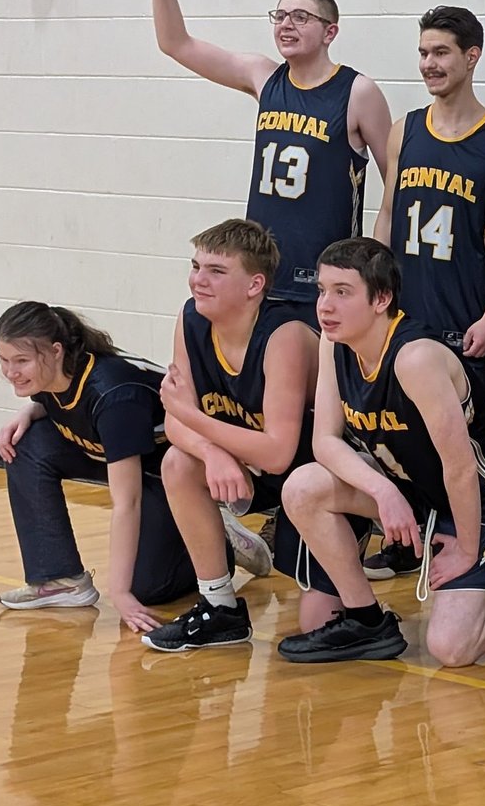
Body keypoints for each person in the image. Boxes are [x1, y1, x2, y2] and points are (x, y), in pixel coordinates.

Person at [275, 238, 485, 665]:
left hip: (476, 493)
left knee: (452, 648)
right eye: (323, 290)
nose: (325, 305)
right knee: (302, 487)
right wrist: (383, 492)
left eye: (342, 292)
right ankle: (366, 620)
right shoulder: (333, 342)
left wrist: (467, 550)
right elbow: (324, 440)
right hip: (408, 486)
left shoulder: (415, 359)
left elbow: (459, 467)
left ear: (381, 299)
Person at [366, 6, 485, 579]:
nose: (429, 64)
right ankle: (408, 538)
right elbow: (386, 213)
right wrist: (370, 293)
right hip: (403, 309)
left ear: (471, 56)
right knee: (399, 433)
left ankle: (472, 539)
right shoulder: (405, 129)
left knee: (460, 436)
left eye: (441, 53)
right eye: (424, 53)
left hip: (462, 310)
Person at [150, 0, 392, 316]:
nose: (285, 24)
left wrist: (376, 267)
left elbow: (398, 187)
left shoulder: (357, 91)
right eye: (279, 15)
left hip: (324, 278)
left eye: (300, 16)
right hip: (260, 272)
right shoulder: (263, 76)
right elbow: (176, 44)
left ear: (330, 32)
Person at [143, 219, 340, 651]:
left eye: (216, 271)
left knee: (314, 622)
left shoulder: (284, 335)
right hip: (250, 462)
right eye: (196, 266)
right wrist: (211, 452)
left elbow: (277, 453)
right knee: (177, 462)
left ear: (254, 285)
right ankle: (220, 608)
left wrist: (195, 424)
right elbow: (175, 421)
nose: (198, 279)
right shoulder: (190, 317)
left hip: (319, 476)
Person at [0, 304, 222, 629]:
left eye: (21, 361)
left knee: (148, 588)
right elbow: (58, 407)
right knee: (24, 445)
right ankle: (60, 579)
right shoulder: (54, 375)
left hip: (165, 474)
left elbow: (127, 502)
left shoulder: (113, 395)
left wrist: (121, 592)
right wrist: (27, 414)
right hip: (117, 456)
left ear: (56, 352)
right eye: (4, 360)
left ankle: (215, 536)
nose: (11, 372)